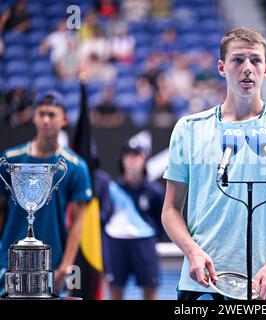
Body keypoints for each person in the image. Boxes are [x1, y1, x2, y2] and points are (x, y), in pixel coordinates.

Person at [162, 27, 266, 300]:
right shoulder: (188, 129)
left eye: (255, 60)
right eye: (238, 60)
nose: (247, 68)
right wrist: (192, 252)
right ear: (222, 67)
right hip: (201, 284)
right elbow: (170, 210)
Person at [0, 90, 92, 295]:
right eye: (41, 114)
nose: (46, 120)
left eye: (51, 114)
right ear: (34, 117)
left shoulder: (75, 167)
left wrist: (65, 267)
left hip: (52, 263)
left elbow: (78, 223)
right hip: (9, 262)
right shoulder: (10, 159)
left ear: (64, 119)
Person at [102, 140, 164, 300]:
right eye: (128, 155)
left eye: (137, 155)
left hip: (144, 243)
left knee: (150, 290)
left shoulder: (155, 191)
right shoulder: (111, 188)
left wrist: (152, 237)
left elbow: (161, 219)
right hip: (116, 243)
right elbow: (104, 217)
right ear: (122, 160)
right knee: (115, 290)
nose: (132, 160)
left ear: (144, 160)